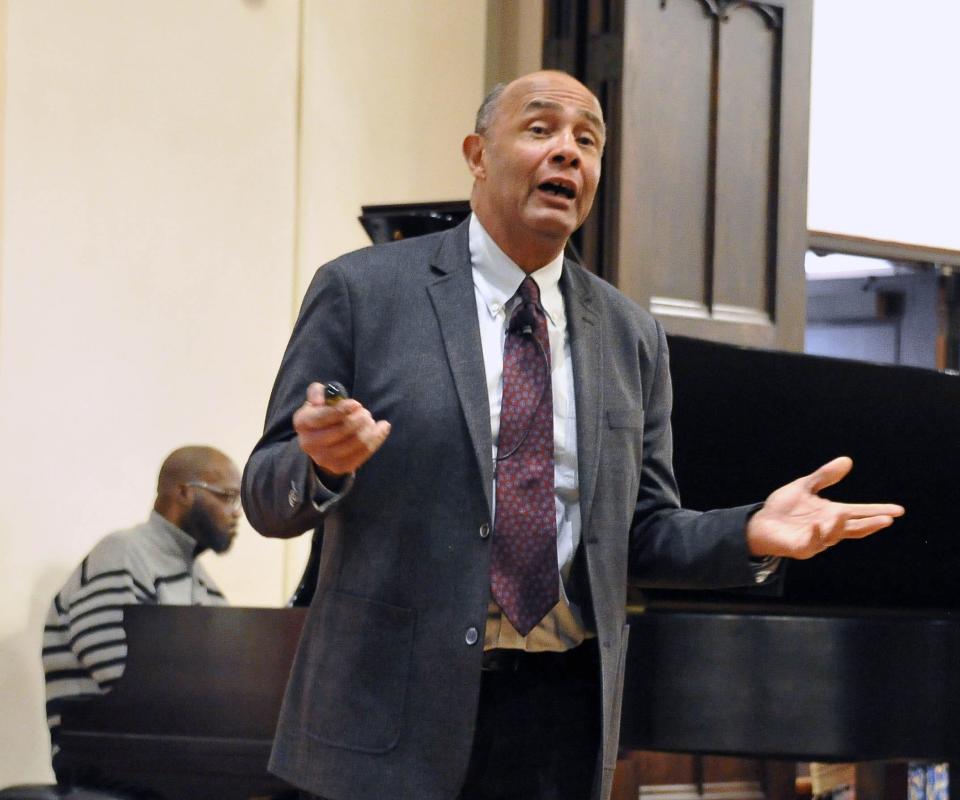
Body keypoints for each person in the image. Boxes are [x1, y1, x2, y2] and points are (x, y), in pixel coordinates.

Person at [241, 71, 904, 800]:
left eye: (587, 140)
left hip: (559, 719)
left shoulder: (630, 334)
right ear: (477, 154)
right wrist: (319, 466)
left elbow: (642, 530)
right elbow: (266, 494)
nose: (568, 153)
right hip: (385, 718)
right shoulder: (364, 292)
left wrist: (748, 532)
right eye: (540, 130)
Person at [42, 445, 241, 782]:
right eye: (227, 496)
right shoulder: (122, 553)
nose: (237, 512)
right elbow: (120, 677)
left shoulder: (203, 582)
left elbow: (229, 682)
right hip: (101, 756)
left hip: (165, 754)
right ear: (184, 492)